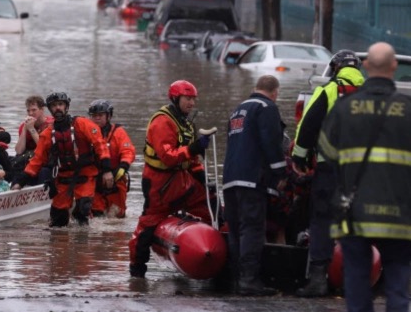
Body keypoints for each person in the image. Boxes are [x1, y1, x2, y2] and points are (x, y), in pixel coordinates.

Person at [319, 42, 411, 312]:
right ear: (394, 67)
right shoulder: (408, 109)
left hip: (354, 211)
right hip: (400, 213)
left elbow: (326, 153)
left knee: (357, 281)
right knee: (398, 282)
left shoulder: (345, 108)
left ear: (367, 66)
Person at [292, 49, 365, 297]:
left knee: (323, 221)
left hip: (331, 169)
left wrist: (299, 158)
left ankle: (318, 280)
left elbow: (308, 126)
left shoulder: (329, 90)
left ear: (335, 68)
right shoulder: (373, 95)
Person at [128, 80, 214, 278]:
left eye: (193, 99)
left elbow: (190, 160)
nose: (191, 103)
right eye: (187, 98)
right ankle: (137, 269)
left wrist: (202, 176)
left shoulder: (186, 124)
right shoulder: (162, 121)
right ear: (176, 98)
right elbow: (168, 157)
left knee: (213, 204)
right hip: (160, 186)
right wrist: (193, 149)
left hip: (182, 182)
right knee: (148, 226)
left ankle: (218, 252)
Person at [222, 75, 286, 296]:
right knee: (252, 229)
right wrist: (280, 172)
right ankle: (249, 280)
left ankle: (237, 279)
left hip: (230, 179)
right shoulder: (266, 108)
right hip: (251, 179)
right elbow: (271, 142)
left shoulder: (237, 110)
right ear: (275, 92)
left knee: (236, 230)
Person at [11, 92, 112, 227]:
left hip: (85, 175)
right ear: (50, 110)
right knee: (58, 222)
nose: (57, 108)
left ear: (66, 107)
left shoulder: (82, 124)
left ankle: (82, 239)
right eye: (54, 106)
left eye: (60, 104)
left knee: (82, 210)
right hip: (62, 178)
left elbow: (100, 145)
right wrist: (20, 181)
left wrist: (107, 170)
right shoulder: (47, 134)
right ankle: (60, 245)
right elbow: (37, 160)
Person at [87, 99, 136, 218]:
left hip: (116, 178)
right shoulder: (86, 132)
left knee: (116, 216)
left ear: (108, 116)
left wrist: (123, 166)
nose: (97, 118)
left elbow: (128, 151)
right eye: (94, 116)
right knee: (96, 215)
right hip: (94, 179)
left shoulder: (118, 132)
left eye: (100, 115)